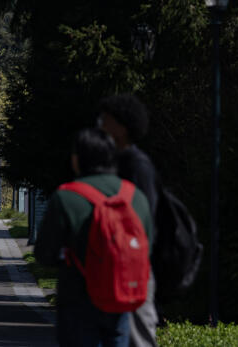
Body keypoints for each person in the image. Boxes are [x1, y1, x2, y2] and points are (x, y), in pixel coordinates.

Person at [35, 128, 152, 347]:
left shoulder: (67, 197)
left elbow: (43, 254)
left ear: (77, 159)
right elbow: (148, 247)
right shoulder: (134, 196)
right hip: (121, 298)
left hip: (77, 302)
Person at [97, 93, 160, 346]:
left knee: (137, 338)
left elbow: (145, 220)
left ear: (121, 128)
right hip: (118, 269)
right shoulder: (120, 162)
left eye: (106, 120)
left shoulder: (137, 166)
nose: (100, 125)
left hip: (133, 270)